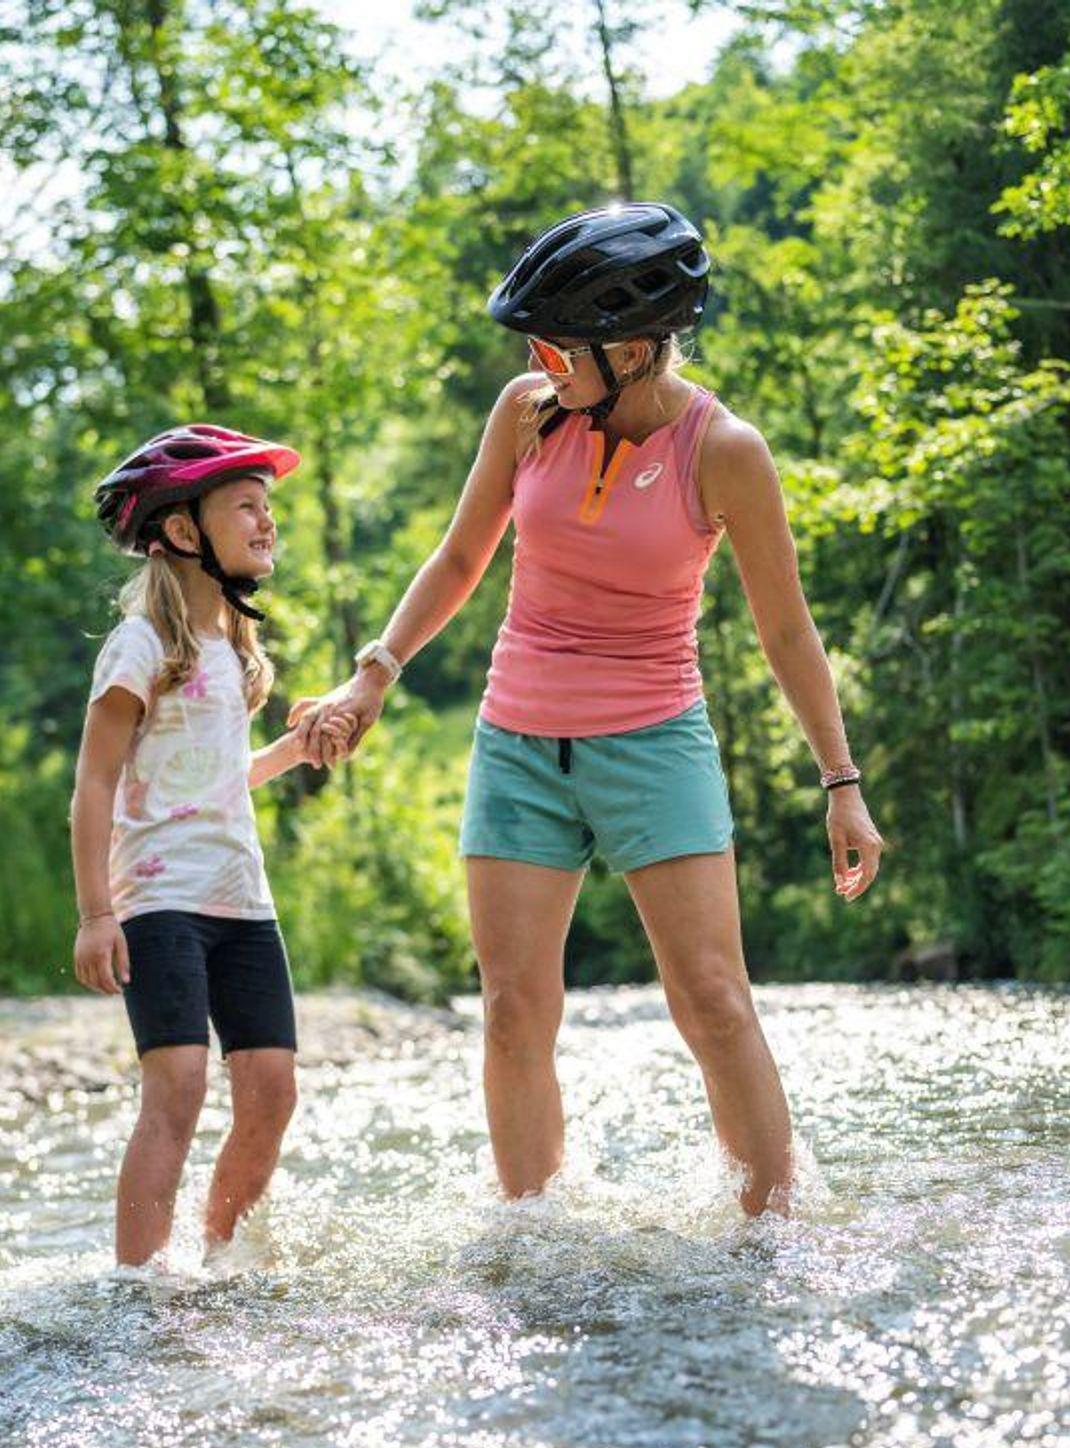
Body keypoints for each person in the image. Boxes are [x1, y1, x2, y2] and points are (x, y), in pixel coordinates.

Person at [295, 202, 884, 1216]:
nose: (538, 363)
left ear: (634, 348)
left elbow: (786, 632)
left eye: (556, 347)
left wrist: (842, 783)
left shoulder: (723, 449)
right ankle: (536, 1237)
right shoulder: (527, 412)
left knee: (713, 1001)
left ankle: (777, 1231)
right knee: (512, 1010)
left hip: (656, 741)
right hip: (518, 745)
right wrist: (375, 671)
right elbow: (460, 556)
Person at [71, 423, 351, 1268]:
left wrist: (294, 750)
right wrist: (95, 915)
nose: (267, 522)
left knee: (271, 1092)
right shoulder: (140, 645)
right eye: (246, 507)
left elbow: (219, 778)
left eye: (267, 507)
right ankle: (138, 1285)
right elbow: (94, 784)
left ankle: (219, 1262)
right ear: (183, 530)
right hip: (159, 903)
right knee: (180, 1088)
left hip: (243, 903)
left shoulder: (233, 649)